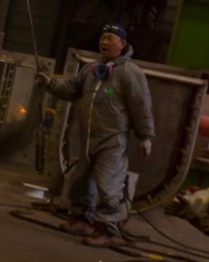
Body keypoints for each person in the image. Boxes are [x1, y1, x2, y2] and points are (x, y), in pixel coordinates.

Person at [37, 24, 154, 247]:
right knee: (81, 182)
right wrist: (50, 83)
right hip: (89, 138)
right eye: (102, 37)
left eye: (111, 38)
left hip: (113, 141)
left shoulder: (130, 73)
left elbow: (141, 106)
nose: (105, 42)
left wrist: (145, 137)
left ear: (123, 44)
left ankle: (108, 230)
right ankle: (83, 220)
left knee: (108, 186)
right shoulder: (91, 70)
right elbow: (72, 89)